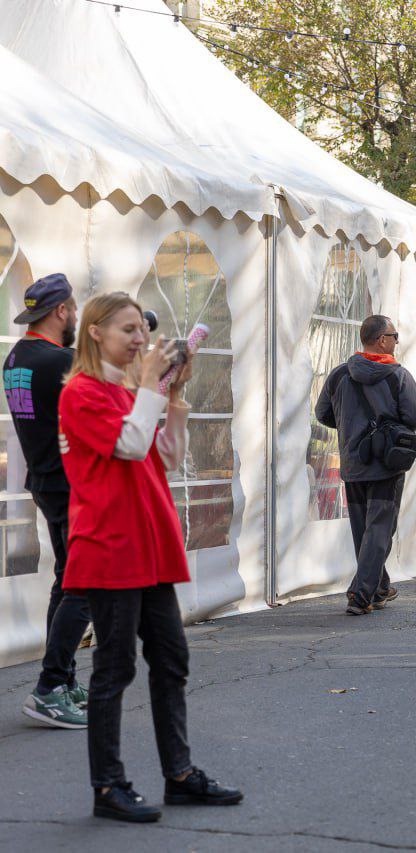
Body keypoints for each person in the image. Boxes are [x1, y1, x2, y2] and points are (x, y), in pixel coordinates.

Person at [58, 291, 242, 822]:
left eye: (142, 329)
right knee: (113, 669)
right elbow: (131, 447)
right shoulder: (82, 393)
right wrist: (147, 389)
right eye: (128, 330)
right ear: (95, 332)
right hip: (111, 548)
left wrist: (174, 397)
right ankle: (108, 786)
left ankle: (179, 775)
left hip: (149, 546)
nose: (141, 340)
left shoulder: (124, 391)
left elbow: (164, 455)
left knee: (171, 660)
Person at [4, 275, 91, 729]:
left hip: (43, 480)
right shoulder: (61, 361)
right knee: (85, 583)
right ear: (60, 312)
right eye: (74, 311)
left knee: (66, 576)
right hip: (71, 483)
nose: (75, 317)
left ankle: (65, 678)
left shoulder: (16, 357)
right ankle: (50, 687)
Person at [315, 315, 416, 615]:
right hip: (386, 463)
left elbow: (323, 414)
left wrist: (352, 428)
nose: (396, 340)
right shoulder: (397, 375)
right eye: (394, 335)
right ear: (381, 340)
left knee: (364, 529)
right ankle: (360, 594)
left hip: (353, 461)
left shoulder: (339, 374)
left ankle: (378, 587)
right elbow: (415, 417)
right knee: (379, 530)